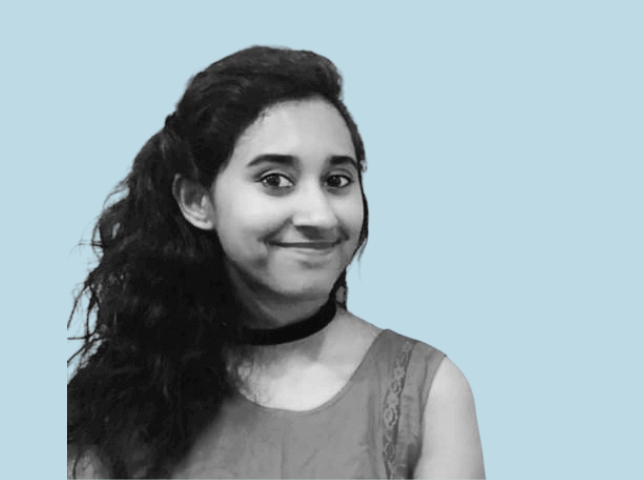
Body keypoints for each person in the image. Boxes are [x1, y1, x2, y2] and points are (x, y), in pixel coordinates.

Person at [67, 46, 485, 479]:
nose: (320, 216)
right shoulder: (121, 395)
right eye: (275, 180)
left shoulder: (430, 393)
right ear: (197, 201)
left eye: (337, 181)